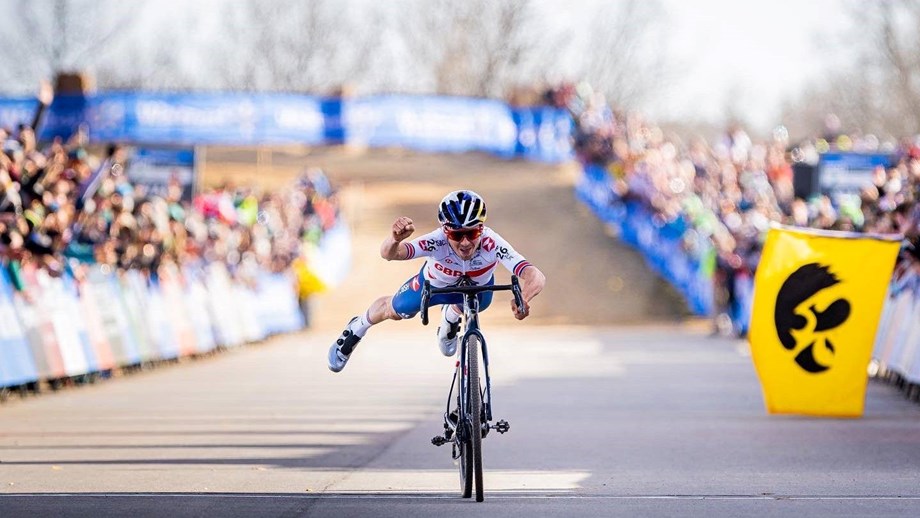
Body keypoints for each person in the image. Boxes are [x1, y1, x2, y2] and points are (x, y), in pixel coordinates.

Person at [328, 190, 546, 372]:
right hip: (435, 287)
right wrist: (395, 239)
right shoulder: (436, 241)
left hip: (478, 293)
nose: (465, 242)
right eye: (455, 234)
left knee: (472, 304)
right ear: (444, 231)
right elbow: (389, 254)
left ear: (482, 228)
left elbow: (535, 275)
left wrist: (524, 298)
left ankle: (451, 317)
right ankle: (357, 328)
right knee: (394, 310)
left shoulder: (492, 242)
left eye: (472, 232)